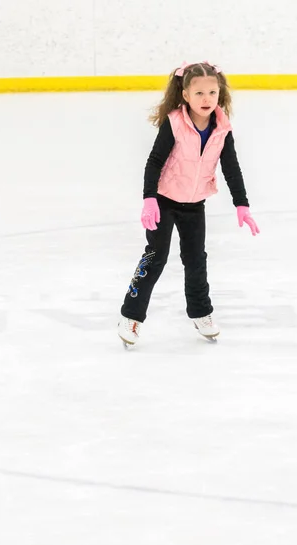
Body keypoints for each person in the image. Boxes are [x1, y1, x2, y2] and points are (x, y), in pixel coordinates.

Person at [118, 60, 260, 345]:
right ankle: (131, 316)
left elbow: (231, 167)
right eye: (199, 94)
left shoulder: (222, 128)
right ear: (185, 95)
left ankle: (201, 313)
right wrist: (149, 200)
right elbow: (154, 162)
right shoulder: (174, 123)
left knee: (196, 260)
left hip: (195, 204)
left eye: (212, 93)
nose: (206, 99)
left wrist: (241, 204)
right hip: (165, 200)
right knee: (155, 258)